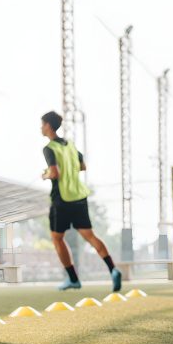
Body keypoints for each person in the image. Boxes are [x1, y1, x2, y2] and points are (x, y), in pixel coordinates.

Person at [40, 111, 122, 293]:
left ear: (48, 126)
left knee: (57, 238)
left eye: (42, 124)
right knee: (90, 236)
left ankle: (73, 279)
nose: (41, 127)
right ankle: (113, 269)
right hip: (79, 196)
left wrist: (45, 175)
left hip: (61, 198)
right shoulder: (70, 145)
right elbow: (83, 166)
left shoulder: (49, 148)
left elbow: (54, 173)